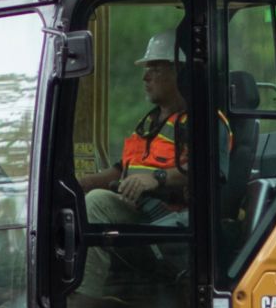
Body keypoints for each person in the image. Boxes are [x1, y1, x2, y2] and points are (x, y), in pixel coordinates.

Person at [80, 30, 195, 227]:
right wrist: (78, 184)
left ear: (179, 72)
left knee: (96, 203)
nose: (145, 77)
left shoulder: (202, 121)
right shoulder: (149, 122)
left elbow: (207, 169)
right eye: (147, 69)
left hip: (169, 218)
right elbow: (122, 170)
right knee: (73, 204)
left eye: (155, 69)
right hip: (139, 210)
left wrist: (157, 178)